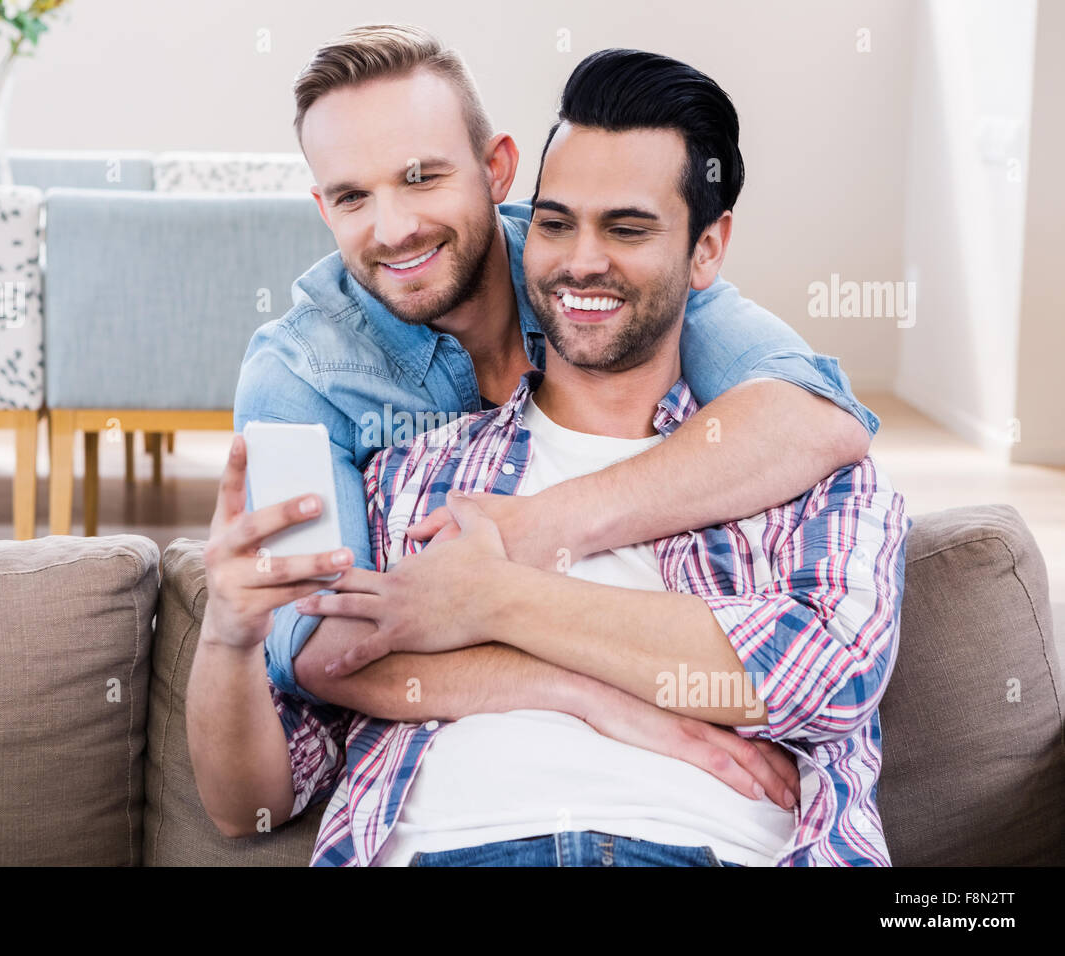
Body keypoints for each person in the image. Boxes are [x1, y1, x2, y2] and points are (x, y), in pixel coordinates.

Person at [192, 45, 910, 866]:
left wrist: (503, 582)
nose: (582, 261)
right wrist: (228, 636)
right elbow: (316, 669)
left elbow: (828, 662)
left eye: (422, 177)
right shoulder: (386, 459)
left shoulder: (784, 464)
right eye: (560, 224)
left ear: (499, 176)